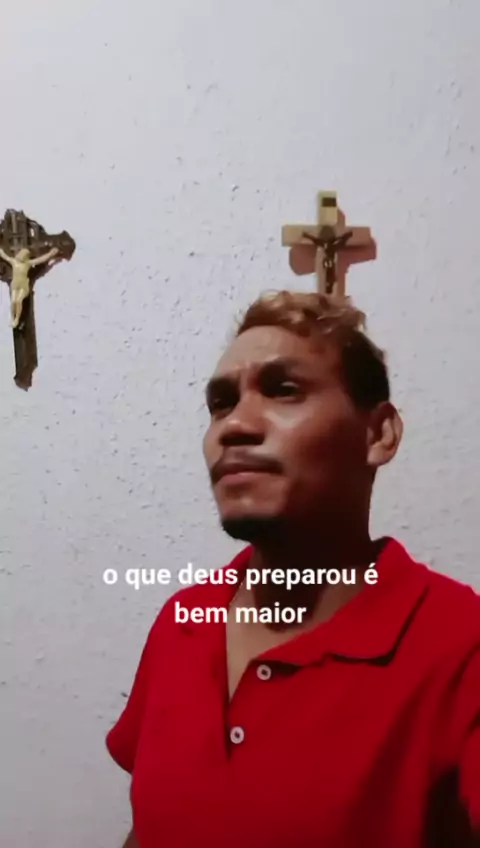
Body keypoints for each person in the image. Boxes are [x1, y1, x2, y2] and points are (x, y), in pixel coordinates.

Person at [106, 291, 480, 847]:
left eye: (284, 390)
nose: (235, 425)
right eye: (221, 404)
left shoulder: (461, 645)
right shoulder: (183, 620)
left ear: (378, 434)